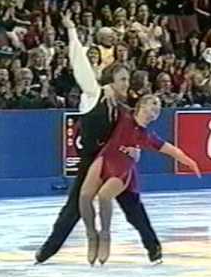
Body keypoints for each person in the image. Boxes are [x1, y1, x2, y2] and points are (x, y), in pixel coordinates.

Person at [35, 11, 163, 265]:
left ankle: (154, 247)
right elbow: (80, 65)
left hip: (115, 163)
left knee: (132, 206)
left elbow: (139, 131)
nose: (127, 83)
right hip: (91, 162)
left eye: (128, 79)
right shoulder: (94, 95)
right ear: (110, 81)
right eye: (123, 79)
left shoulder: (126, 110)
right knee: (73, 209)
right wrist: (72, 31)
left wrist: (135, 148)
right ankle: (47, 251)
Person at [79, 94, 202, 265]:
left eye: (159, 106)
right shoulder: (124, 114)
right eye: (153, 103)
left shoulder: (147, 135)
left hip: (122, 172)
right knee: (85, 196)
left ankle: (145, 247)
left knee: (132, 213)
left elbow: (171, 150)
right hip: (105, 160)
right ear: (141, 105)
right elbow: (107, 97)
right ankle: (92, 235)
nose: (156, 107)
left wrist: (190, 162)